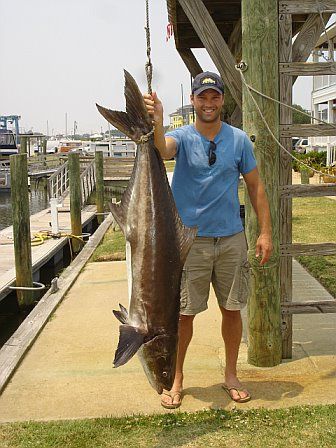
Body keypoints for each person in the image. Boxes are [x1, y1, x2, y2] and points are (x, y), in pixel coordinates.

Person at [143, 71, 273, 409]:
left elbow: (256, 187)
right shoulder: (182, 137)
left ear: (222, 100)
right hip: (189, 243)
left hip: (230, 239)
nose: (209, 103)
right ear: (193, 100)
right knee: (184, 314)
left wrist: (265, 232)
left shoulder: (239, 140)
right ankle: (177, 376)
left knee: (232, 310)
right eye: (203, 97)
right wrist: (156, 120)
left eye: (214, 96)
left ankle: (230, 374)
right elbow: (161, 148)